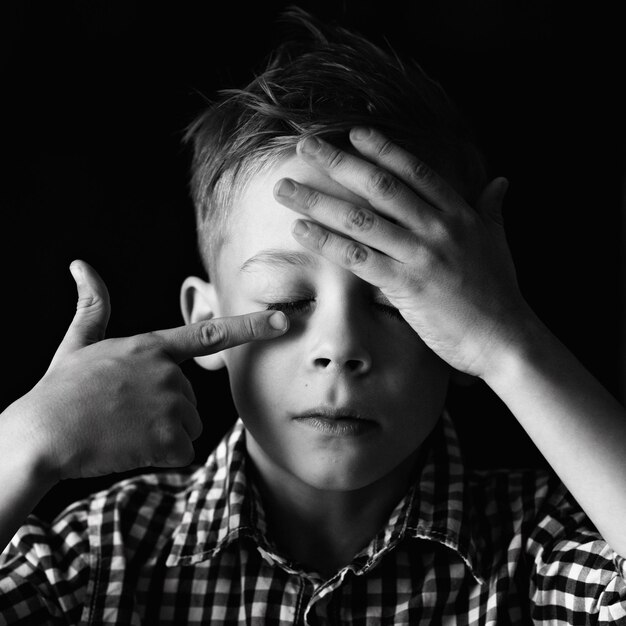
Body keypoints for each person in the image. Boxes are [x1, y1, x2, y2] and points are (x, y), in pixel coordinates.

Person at [1, 7, 625, 624]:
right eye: (287, 302)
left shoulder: (541, 547)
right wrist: (24, 445)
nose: (339, 346)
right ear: (204, 323)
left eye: (393, 300)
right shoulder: (98, 554)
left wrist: (508, 347)